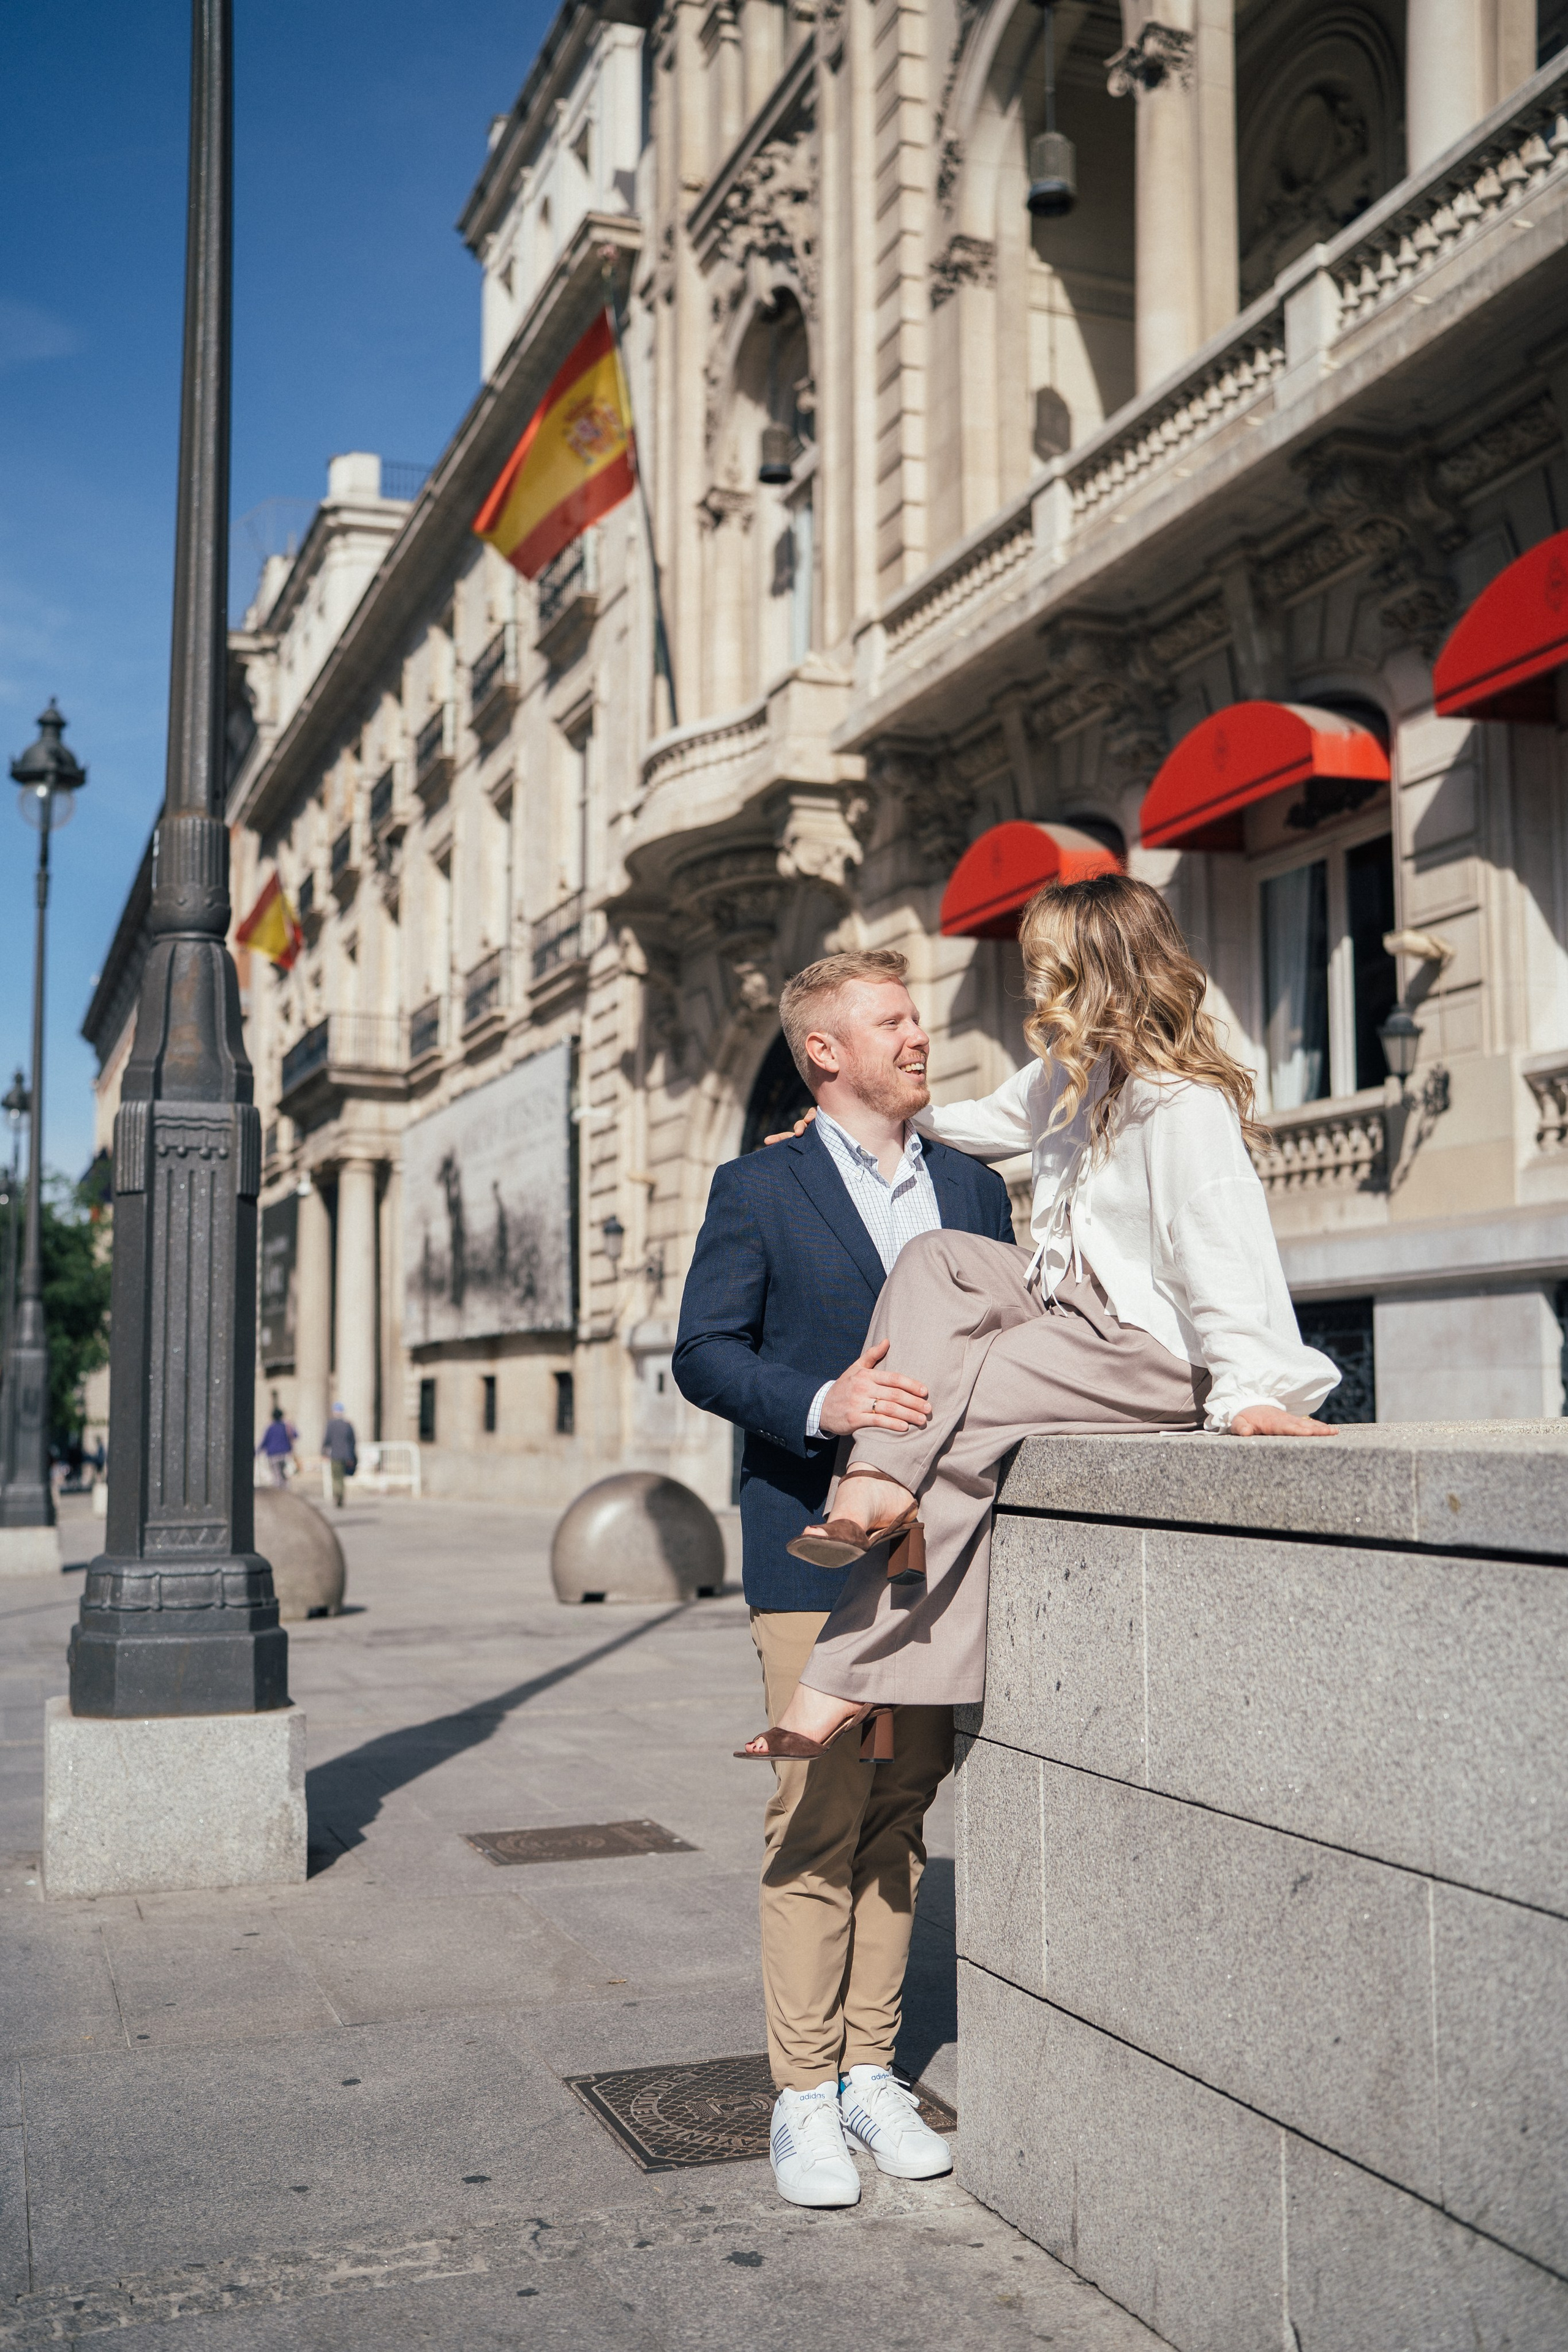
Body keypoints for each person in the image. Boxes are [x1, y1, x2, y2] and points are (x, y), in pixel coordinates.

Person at [748, 875, 1340, 1758]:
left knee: (962, 1402)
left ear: (1096, 974)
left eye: (1046, 969)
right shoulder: (1071, 1078)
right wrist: (857, 1113)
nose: (1033, 988)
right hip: (1066, 1308)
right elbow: (966, 1123)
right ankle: (873, 1482)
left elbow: (1225, 1253)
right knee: (938, 1258)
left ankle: (841, 1683)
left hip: (1146, 1347)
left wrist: (1246, 1388)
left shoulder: (1180, 1104)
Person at [673, 948, 1016, 2212]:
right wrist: (823, 1400)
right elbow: (702, 1355)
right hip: (807, 1546)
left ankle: (872, 2067)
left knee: (900, 1809)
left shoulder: (975, 1191)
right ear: (824, 1050)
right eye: (890, 1020)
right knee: (815, 1814)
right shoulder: (757, 1187)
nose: (918, 1036)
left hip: (941, 1553)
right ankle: (802, 2096)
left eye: (917, 1014)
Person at [322, 1403, 357, 1507]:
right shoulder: (348, 1425)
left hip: (335, 1455)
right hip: (346, 1456)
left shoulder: (331, 1424)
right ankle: (341, 1495)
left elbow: (327, 1439)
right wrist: (352, 1455)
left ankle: (337, 1495)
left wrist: (323, 1451)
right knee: (342, 1477)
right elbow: (353, 1441)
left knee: (335, 1477)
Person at [255, 1405, 295, 1488]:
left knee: (277, 1475)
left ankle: (280, 1491)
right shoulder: (286, 1426)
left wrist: (257, 1452)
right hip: (285, 1454)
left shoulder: (270, 1428)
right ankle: (285, 1490)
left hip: (273, 1455)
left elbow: (265, 1441)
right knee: (284, 1474)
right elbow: (295, 1435)